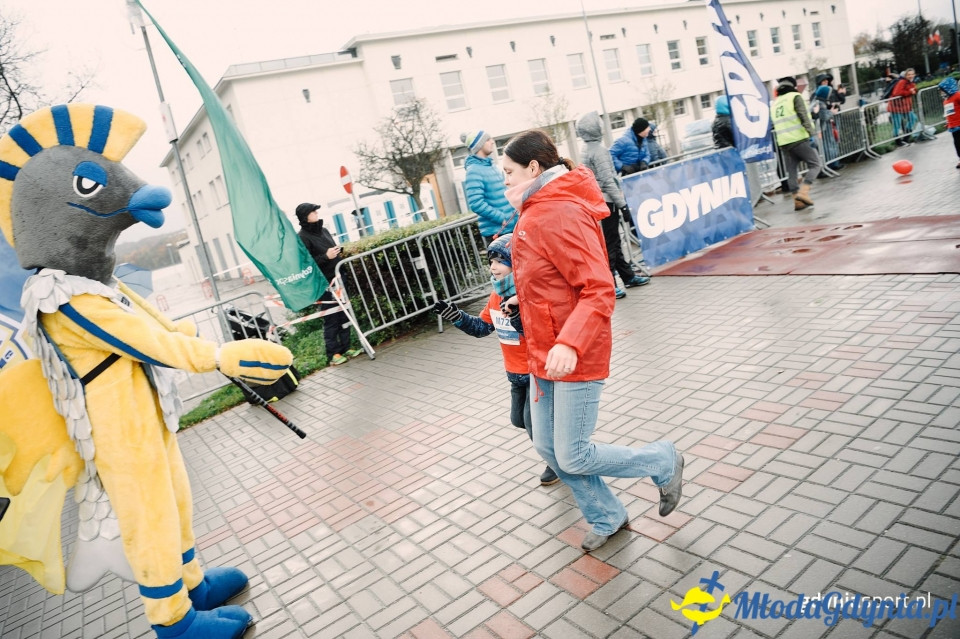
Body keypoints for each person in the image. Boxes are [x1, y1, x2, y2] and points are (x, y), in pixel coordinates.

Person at [501, 129, 684, 553]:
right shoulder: (536, 207)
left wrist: (569, 343)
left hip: (573, 353)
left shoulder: (559, 210)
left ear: (533, 167)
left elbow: (598, 287)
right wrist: (521, 299)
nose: (504, 180)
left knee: (573, 454)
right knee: (549, 447)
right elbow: (552, 278)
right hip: (544, 353)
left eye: (508, 172)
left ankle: (661, 460)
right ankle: (607, 515)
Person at [432, 234, 559, 487]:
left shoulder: (527, 295)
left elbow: (539, 335)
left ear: (518, 263)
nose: (493, 267)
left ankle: (557, 463)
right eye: (491, 261)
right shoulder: (495, 296)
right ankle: (561, 443)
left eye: (500, 261)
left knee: (533, 424)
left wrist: (516, 315)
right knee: (518, 420)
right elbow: (482, 328)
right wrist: (456, 316)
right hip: (515, 374)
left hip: (536, 373)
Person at [574, 111, 650, 299]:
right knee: (610, 244)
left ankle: (628, 276)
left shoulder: (587, 148)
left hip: (598, 200)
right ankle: (611, 284)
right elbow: (608, 181)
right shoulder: (599, 151)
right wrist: (622, 205)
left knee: (613, 241)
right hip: (607, 202)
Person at [295, 203, 362, 365]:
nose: (316, 213)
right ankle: (333, 353)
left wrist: (337, 251)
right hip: (324, 283)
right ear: (305, 216)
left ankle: (346, 347)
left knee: (344, 313)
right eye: (313, 211)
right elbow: (306, 264)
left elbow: (330, 251)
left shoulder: (323, 230)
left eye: (316, 210)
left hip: (339, 277)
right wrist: (326, 256)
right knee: (331, 317)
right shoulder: (302, 237)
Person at [770, 76, 822, 211]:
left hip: (784, 142)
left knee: (792, 172)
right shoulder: (795, 97)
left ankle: (797, 202)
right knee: (815, 164)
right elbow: (804, 117)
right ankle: (803, 193)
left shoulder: (775, 103)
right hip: (799, 139)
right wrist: (813, 134)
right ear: (793, 86)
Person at [461, 129, 516, 246]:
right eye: (487, 139)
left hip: (511, 227)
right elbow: (476, 203)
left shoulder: (492, 166)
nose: (492, 142)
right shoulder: (473, 171)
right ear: (479, 145)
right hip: (498, 232)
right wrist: (501, 218)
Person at [810, 85, 842, 170]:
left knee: (820, 149)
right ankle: (824, 168)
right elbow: (824, 116)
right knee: (821, 149)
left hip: (817, 130)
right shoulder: (820, 103)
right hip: (817, 130)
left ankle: (825, 167)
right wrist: (832, 112)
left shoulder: (816, 101)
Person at [888, 69, 918, 146]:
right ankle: (898, 142)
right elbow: (896, 93)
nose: (911, 76)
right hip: (896, 106)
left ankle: (906, 138)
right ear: (905, 76)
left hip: (905, 106)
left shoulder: (911, 82)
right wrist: (909, 92)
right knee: (897, 125)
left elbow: (914, 90)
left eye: (912, 74)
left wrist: (914, 90)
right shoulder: (902, 82)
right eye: (909, 74)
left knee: (913, 119)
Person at [938, 77, 960, 169]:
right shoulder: (946, 101)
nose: (941, 92)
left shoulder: (957, 96)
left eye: (942, 90)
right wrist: (948, 123)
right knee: (957, 144)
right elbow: (949, 113)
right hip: (953, 126)